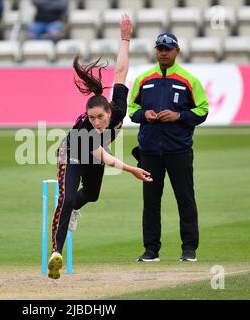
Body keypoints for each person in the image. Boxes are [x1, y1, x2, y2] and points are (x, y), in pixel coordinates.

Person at [47, 14, 153, 280]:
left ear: (109, 111)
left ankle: (75, 209)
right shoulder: (85, 130)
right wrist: (132, 170)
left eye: (101, 117)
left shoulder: (117, 110)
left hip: (93, 156)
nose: (97, 122)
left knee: (91, 195)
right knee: (67, 200)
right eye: (92, 118)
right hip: (71, 154)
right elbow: (104, 157)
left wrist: (125, 38)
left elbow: (120, 72)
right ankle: (55, 254)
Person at [129, 32, 209, 263]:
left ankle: (189, 249)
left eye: (168, 48)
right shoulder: (144, 79)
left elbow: (202, 110)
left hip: (179, 151)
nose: (163, 52)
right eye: (160, 48)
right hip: (150, 151)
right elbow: (131, 109)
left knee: (185, 199)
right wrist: (144, 114)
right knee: (151, 202)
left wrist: (179, 116)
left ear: (177, 51)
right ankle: (151, 250)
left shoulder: (188, 80)